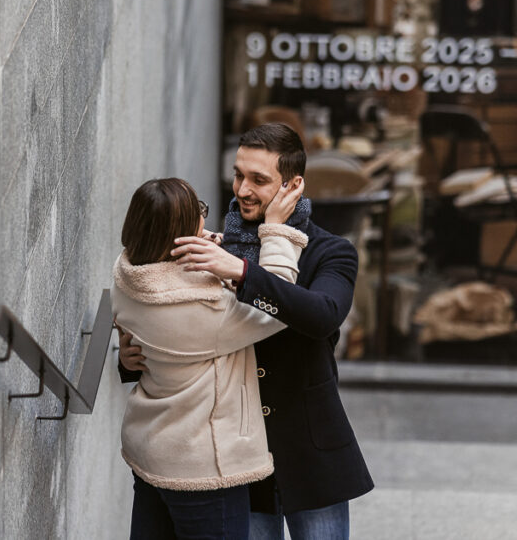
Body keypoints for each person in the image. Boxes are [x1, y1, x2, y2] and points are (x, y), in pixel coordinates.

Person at [120, 124, 374, 539]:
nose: (243, 190)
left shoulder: (331, 251)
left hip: (309, 452)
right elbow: (167, 314)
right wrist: (131, 358)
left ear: (293, 186)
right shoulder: (213, 244)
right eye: (239, 175)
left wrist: (242, 272)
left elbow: (322, 315)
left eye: (259, 180)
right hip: (234, 459)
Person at [113, 177, 308, 539]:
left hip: (152, 451)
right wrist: (277, 231)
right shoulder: (205, 309)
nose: (206, 220)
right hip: (203, 471)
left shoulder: (127, 274)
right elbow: (279, 301)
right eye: (198, 213)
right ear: (180, 231)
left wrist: (213, 254)